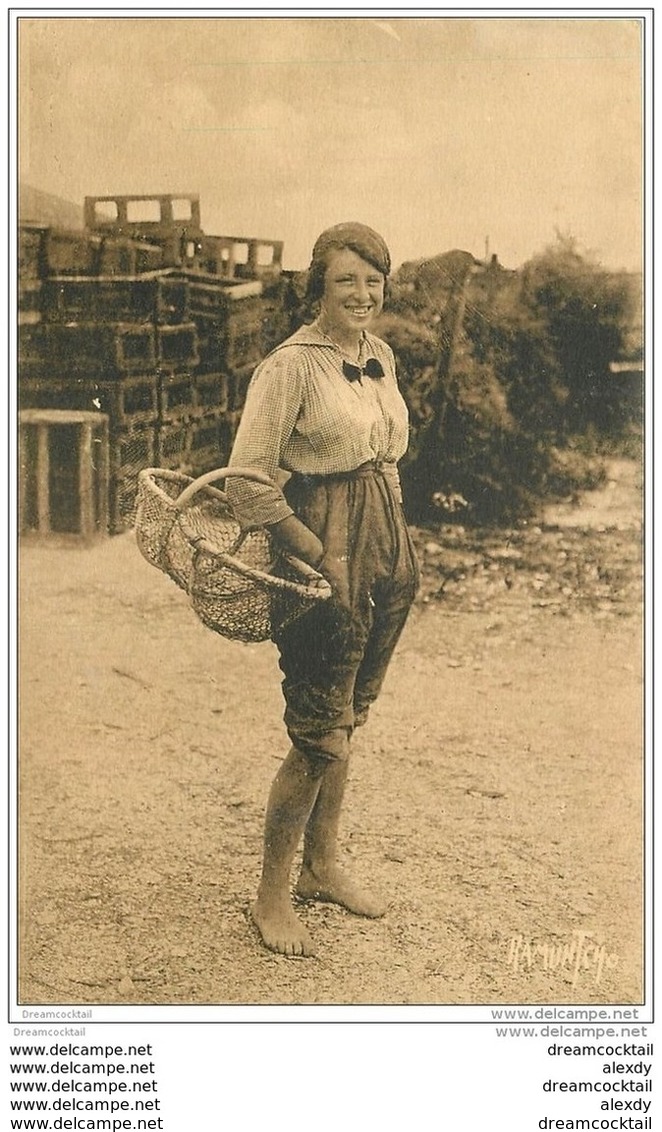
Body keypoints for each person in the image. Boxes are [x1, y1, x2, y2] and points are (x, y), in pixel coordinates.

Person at [226, 222, 419, 957]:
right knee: (315, 730)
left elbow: (386, 454)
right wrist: (311, 552)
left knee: (348, 719)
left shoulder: (380, 356)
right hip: (321, 540)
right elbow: (248, 478)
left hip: (381, 543)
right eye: (347, 280)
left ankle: (323, 866)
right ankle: (272, 897)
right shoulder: (290, 367)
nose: (363, 294)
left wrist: (395, 536)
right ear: (319, 288)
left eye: (373, 280)